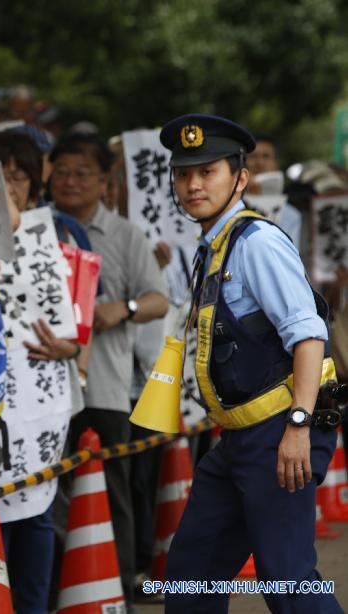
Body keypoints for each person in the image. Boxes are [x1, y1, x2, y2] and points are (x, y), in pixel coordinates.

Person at [160, 114, 342, 613]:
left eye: (207, 171)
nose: (193, 184)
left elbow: (308, 335)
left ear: (240, 177)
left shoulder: (256, 242)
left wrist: (299, 426)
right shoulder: (214, 245)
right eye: (182, 173)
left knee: (287, 580)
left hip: (279, 432)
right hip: (239, 438)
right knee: (191, 574)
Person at [50, 132, 169, 607]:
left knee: (110, 486)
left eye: (82, 173)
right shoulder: (36, 228)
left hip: (104, 387)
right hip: (48, 390)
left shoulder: (125, 234)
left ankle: (116, 582)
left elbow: (159, 299)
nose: (71, 181)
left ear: (104, 181)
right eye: (61, 172)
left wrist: (125, 307)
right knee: (50, 490)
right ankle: (64, 581)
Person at [0, 129, 91, 614]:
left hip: (46, 390)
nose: (9, 186)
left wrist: (72, 347)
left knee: (38, 510)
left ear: (35, 181)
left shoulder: (65, 232)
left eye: (18, 176)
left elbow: (85, 319)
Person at [245, 132, 303, 247]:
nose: (259, 163)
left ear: (276, 165)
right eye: (253, 156)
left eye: (266, 157)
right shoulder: (228, 207)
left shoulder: (291, 215)